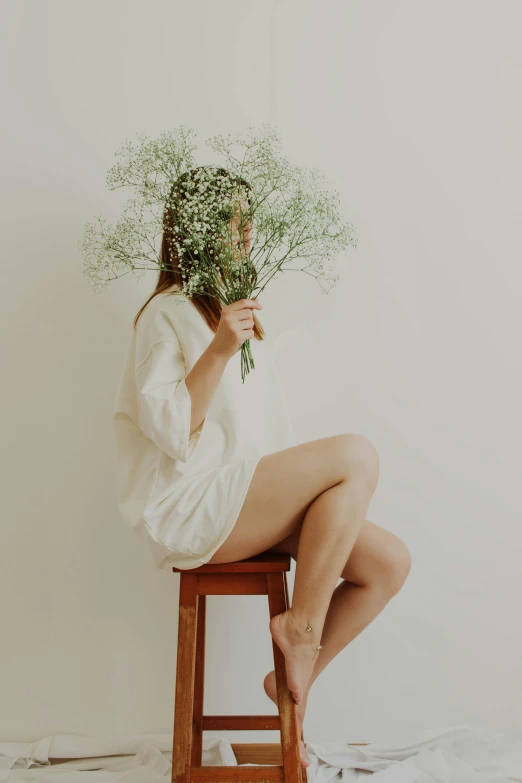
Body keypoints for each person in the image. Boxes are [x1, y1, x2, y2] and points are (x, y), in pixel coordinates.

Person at [112, 167, 411, 769]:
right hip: (191, 505)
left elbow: (263, 440)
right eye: (232, 220)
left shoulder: (229, 310)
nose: (246, 233)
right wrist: (221, 347)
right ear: (196, 229)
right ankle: (300, 628)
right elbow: (171, 431)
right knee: (357, 454)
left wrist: (302, 499)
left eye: (248, 220)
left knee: (387, 564)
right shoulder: (165, 314)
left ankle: (291, 677)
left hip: (242, 496)